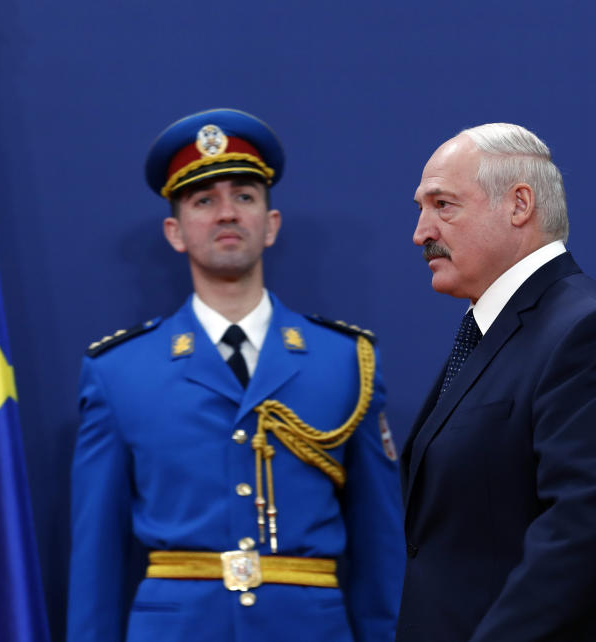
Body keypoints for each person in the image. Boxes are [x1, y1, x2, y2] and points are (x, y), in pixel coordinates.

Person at [67, 108, 403, 642]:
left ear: (271, 224)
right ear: (175, 232)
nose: (227, 213)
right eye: (204, 201)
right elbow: (96, 560)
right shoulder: (119, 371)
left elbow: (380, 540)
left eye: (244, 196)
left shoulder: (344, 361)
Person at [399, 123, 596, 641]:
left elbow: (582, 529)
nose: (421, 233)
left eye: (443, 205)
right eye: (421, 208)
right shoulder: (493, 330)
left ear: (519, 204)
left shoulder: (581, 330)